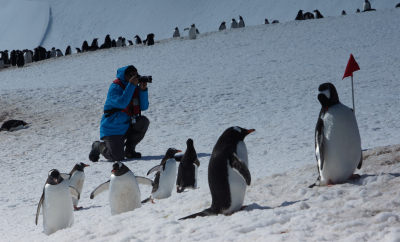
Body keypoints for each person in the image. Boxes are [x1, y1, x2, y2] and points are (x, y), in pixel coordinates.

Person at [89, 65, 150, 162]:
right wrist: (131, 85)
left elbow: (144, 107)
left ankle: (130, 150)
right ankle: (99, 146)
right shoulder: (115, 87)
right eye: (131, 75)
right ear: (124, 76)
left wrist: (142, 90)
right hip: (113, 129)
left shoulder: (133, 87)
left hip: (127, 125)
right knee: (117, 157)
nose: (134, 77)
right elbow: (122, 103)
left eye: (136, 74)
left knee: (143, 121)